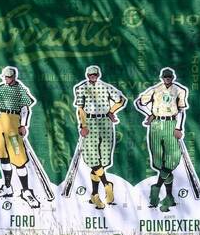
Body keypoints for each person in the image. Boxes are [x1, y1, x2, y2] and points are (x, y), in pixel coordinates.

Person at [135, 67, 188, 212]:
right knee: (159, 163)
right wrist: (149, 113)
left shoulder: (179, 90)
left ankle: (157, 187)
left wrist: (178, 128)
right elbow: (140, 102)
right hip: (156, 124)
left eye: (169, 77)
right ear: (162, 78)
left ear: (173, 77)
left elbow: (182, 111)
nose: (167, 79)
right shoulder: (155, 89)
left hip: (171, 123)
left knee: (173, 159)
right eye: (165, 77)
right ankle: (169, 197)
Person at [73, 65, 126, 209]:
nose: (93, 77)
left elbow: (121, 99)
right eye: (90, 75)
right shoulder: (81, 88)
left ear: (98, 74)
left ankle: (94, 194)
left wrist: (111, 111)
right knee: (92, 158)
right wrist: (83, 125)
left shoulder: (106, 87)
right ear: (87, 75)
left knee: (102, 159)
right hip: (90, 122)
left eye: (95, 74)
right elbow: (81, 108)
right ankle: (106, 184)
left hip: (105, 122)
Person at [0, 66, 40, 208]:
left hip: (13, 122)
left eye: (8, 77)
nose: (6, 79)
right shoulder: (1, 89)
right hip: (1, 122)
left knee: (18, 158)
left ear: (14, 77)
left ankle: (26, 191)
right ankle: (7, 187)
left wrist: (23, 125)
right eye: (5, 77)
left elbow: (25, 108)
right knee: (3, 156)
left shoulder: (20, 90)